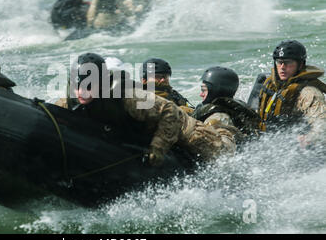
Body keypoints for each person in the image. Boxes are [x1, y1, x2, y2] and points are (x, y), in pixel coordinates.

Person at [54, 53, 238, 166]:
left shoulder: (128, 97)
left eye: (89, 87)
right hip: (142, 128)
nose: (82, 93)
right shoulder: (71, 99)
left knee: (222, 153)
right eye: (79, 86)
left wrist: (157, 148)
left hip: (181, 127)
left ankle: (224, 126)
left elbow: (170, 112)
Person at [257, 40, 325, 145]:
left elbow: (321, 124)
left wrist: (310, 138)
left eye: (288, 63)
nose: (282, 67)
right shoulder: (271, 84)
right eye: (279, 62)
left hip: (296, 145)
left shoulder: (309, 93)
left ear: (300, 65)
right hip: (268, 140)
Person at [193, 66, 260, 137]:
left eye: (204, 90)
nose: (201, 94)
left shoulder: (219, 118)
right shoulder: (226, 109)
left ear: (216, 91)